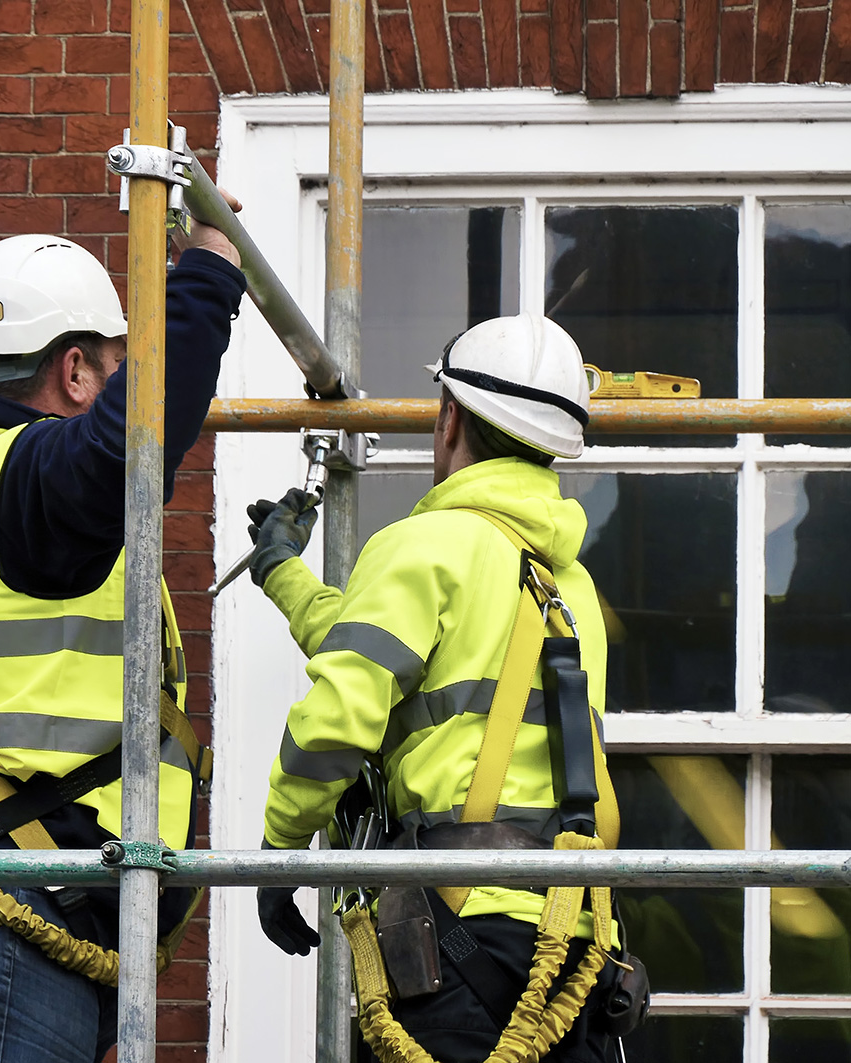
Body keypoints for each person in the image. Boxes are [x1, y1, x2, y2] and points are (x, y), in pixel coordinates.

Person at [0, 208, 246, 1063]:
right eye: (114, 364)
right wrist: (210, 270)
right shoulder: (34, 477)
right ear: (76, 368)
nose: (126, 382)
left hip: (18, 893)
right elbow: (130, 441)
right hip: (16, 900)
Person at [247, 314, 628, 1063]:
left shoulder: (421, 547)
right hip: (572, 948)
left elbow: (336, 721)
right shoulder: (572, 587)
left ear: (449, 416)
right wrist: (285, 575)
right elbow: (393, 645)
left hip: (456, 939)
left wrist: (278, 854)